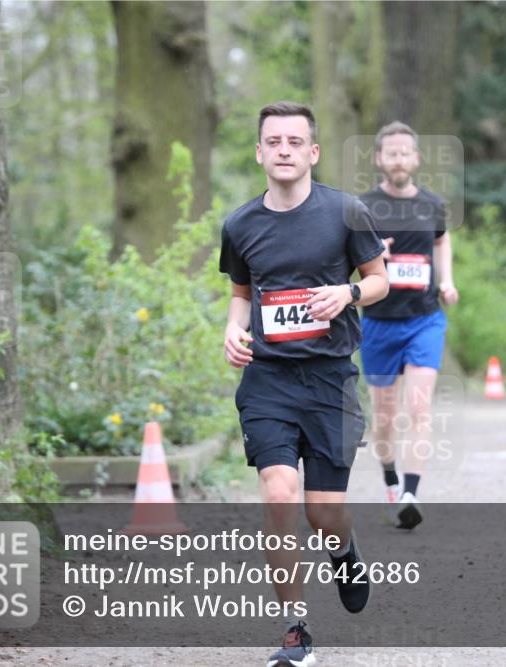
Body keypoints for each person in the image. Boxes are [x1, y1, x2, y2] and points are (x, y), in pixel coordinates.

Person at [220, 101, 388, 666]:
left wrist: (349, 294)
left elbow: (380, 281)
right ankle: (294, 629)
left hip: (330, 379)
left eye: (296, 141)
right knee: (278, 494)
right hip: (267, 380)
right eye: (275, 141)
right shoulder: (241, 224)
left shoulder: (345, 212)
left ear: (312, 152)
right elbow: (243, 293)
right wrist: (231, 331)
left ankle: (343, 550)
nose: (285, 150)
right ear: (260, 152)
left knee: (323, 514)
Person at [358, 121, 458, 529]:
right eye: (391, 153)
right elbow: (346, 258)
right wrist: (373, 252)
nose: (399, 159)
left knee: (418, 407)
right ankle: (389, 479)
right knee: (384, 416)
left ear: (416, 159)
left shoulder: (432, 204)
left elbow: (441, 240)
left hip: (424, 319)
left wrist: (447, 279)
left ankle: (411, 492)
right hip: (379, 322)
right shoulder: (362, 206)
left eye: (406, 152)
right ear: (380, 159)